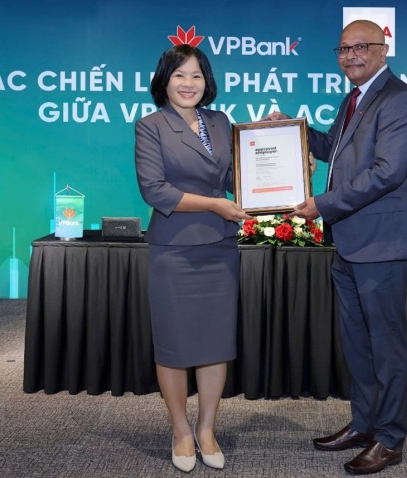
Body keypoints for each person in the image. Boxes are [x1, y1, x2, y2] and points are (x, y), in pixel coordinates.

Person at [268, 19, 407, 474]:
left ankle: (389, 438)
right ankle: (364, 424)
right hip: (350, 243)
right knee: (358, 345)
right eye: (343, 49)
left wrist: (322, 204)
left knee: (386, 347)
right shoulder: (354, 99)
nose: (351, 56)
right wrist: (293, 130)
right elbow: (334, 150)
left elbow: (386, 172)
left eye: (361, 47)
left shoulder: (399, 99)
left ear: (382, 49)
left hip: (383, 246)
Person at [135, 44, 251, 473]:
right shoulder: (150, 126)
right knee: (174, 345)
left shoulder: (219, 122)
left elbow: (238, 177)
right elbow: (155, 190)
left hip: (219, 247)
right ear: (164, 81)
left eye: (196, 75)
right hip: (174, 250)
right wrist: (215, 204)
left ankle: (206, 428)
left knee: (215, 343)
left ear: (208, 81)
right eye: (179, 75)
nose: (189, 83)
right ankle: (181, 430)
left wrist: (291, 171)